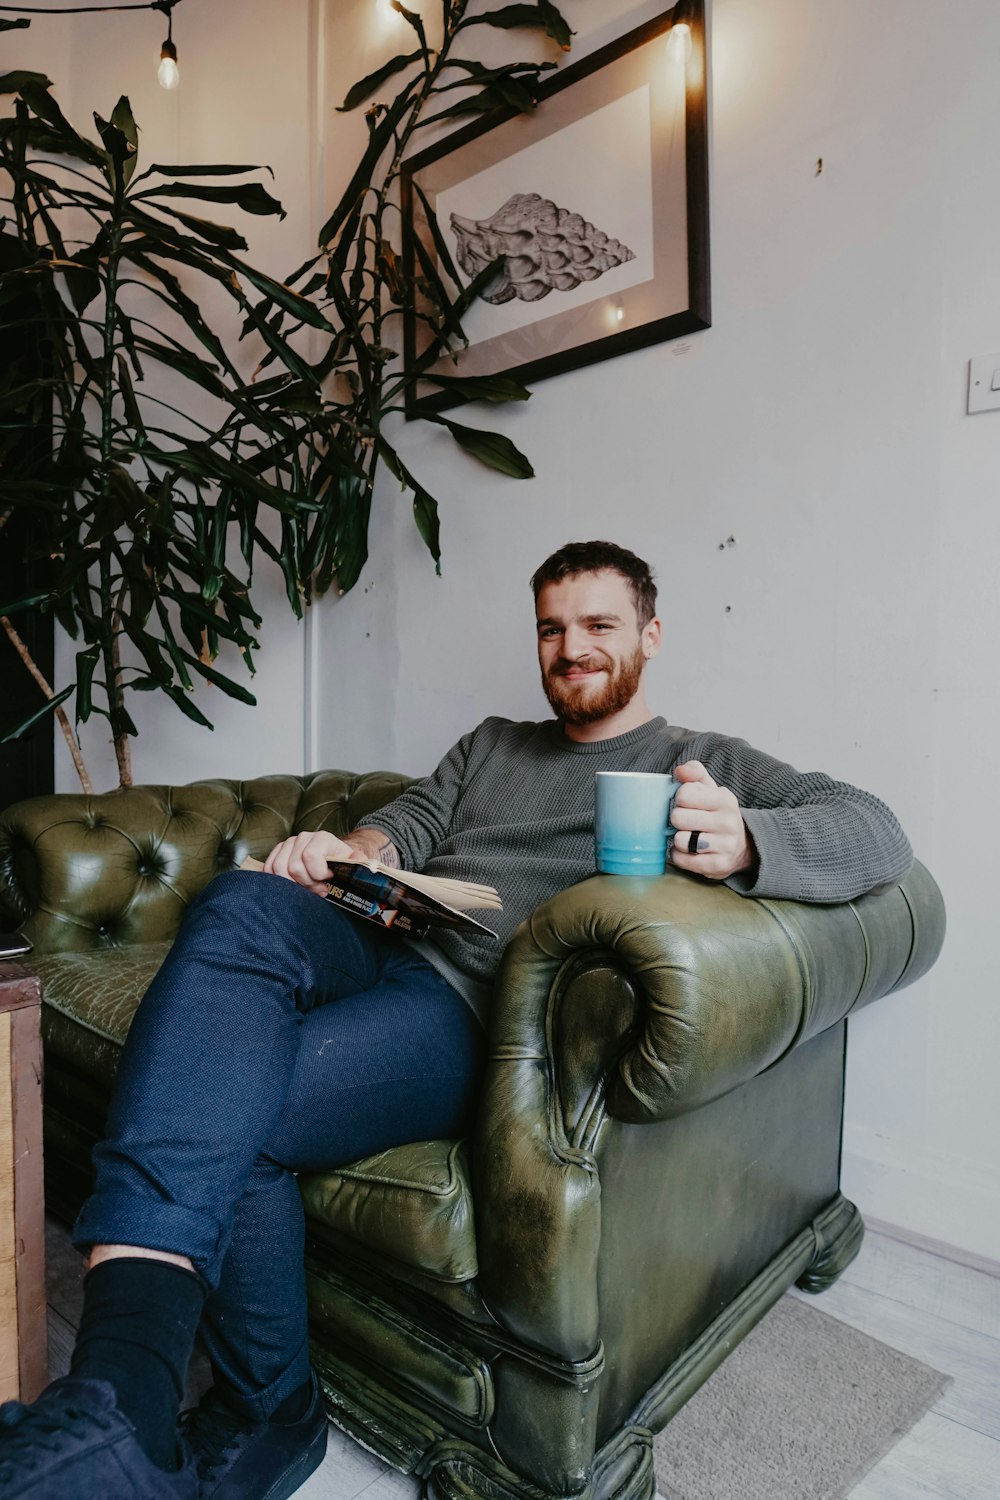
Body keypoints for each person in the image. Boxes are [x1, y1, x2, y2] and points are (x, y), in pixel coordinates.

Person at [0, 540, 912, 1500]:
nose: (573, 649)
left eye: (599, 626)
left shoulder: (703, 763)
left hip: (472, 1006)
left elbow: (875, 827)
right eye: (553, 629)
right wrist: (344, 850)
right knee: (238, 903)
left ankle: (219, 1407)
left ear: (650, 635)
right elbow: (409, 828)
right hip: (383, 936)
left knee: (232, 1113)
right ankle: (127, 1407)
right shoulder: (491, 743)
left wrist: (748, 840)